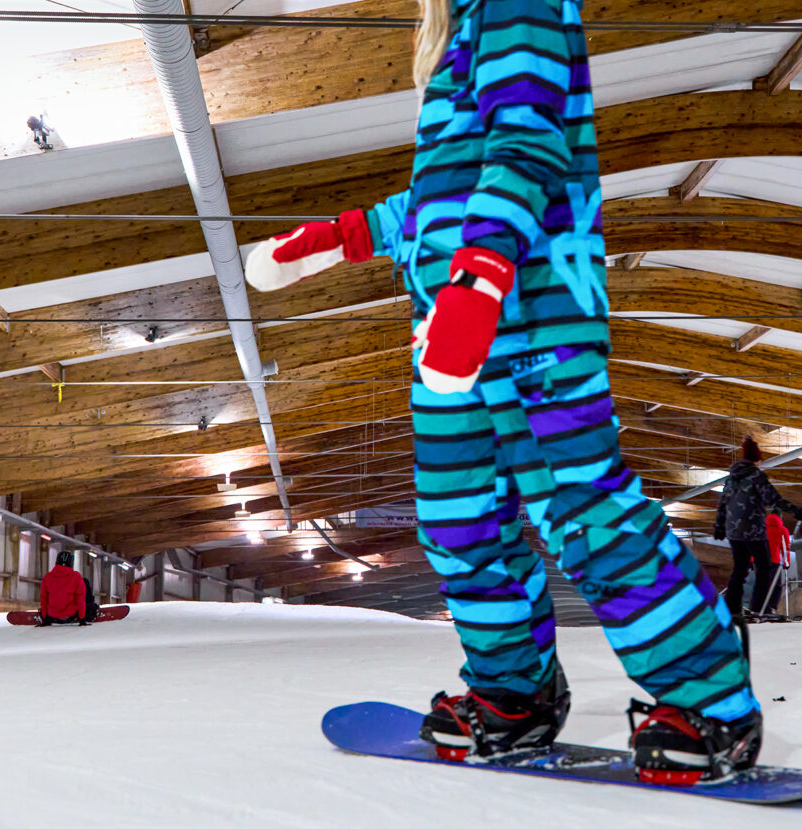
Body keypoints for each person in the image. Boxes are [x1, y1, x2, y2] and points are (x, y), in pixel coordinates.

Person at [243, 0, 760, 784]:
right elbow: (441, 197)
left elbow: (529, 143)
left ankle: (712, 701)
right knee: (458, 523)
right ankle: (514, 695)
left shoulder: (517, 5)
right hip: (445, 327)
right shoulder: (456, 36)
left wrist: (480, 276)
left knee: (582, 513)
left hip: (535, 317)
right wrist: (340, 236)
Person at [714, 437, 802, 616]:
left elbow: (723, 503)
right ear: (756, 459)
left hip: (733, 531)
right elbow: (774, 499)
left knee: (739, 570)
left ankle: (731, 609)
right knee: (764, 568)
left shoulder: (731, 479)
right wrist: (795, 510)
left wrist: (719, 526)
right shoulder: (756, 476)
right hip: (753, 530)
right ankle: (759, 608)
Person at [39, 551, 88, 626]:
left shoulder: (47, 577)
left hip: (52, 617)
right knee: (85, 582)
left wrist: (44, 617)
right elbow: (80, 598)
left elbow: (43, 599)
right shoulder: (76, 577)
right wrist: (82, 618)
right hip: (71, 616)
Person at [760, 512, 793, 617]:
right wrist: (786, 562)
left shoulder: (762, 529)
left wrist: (751, 560)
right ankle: (772, 608)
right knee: (776, 586)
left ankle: (761, 608)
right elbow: (785, 548)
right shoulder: (782, 529)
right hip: (774, 561)